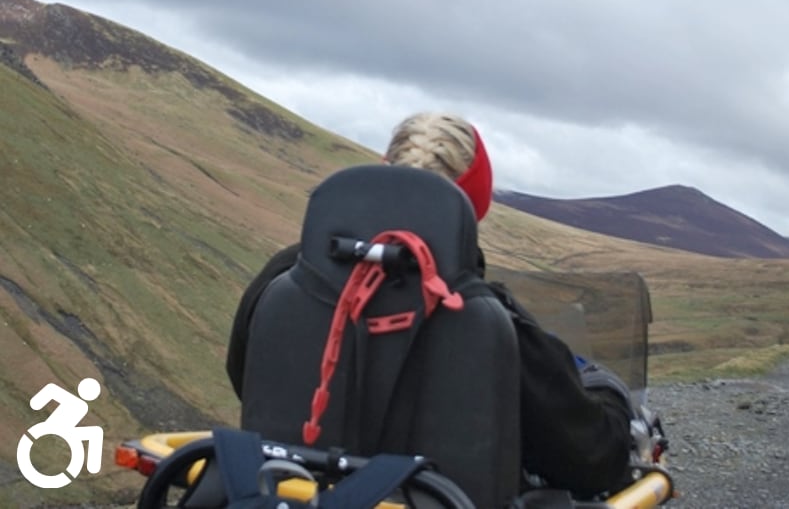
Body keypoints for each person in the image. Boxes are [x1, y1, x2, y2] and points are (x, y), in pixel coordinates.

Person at [226, 112, 632, 497]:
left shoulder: (286, 279)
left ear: (383, 173)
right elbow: (592, 460)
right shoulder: (490, 321)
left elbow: (249, 378)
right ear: (474, 207)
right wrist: (607, 396)